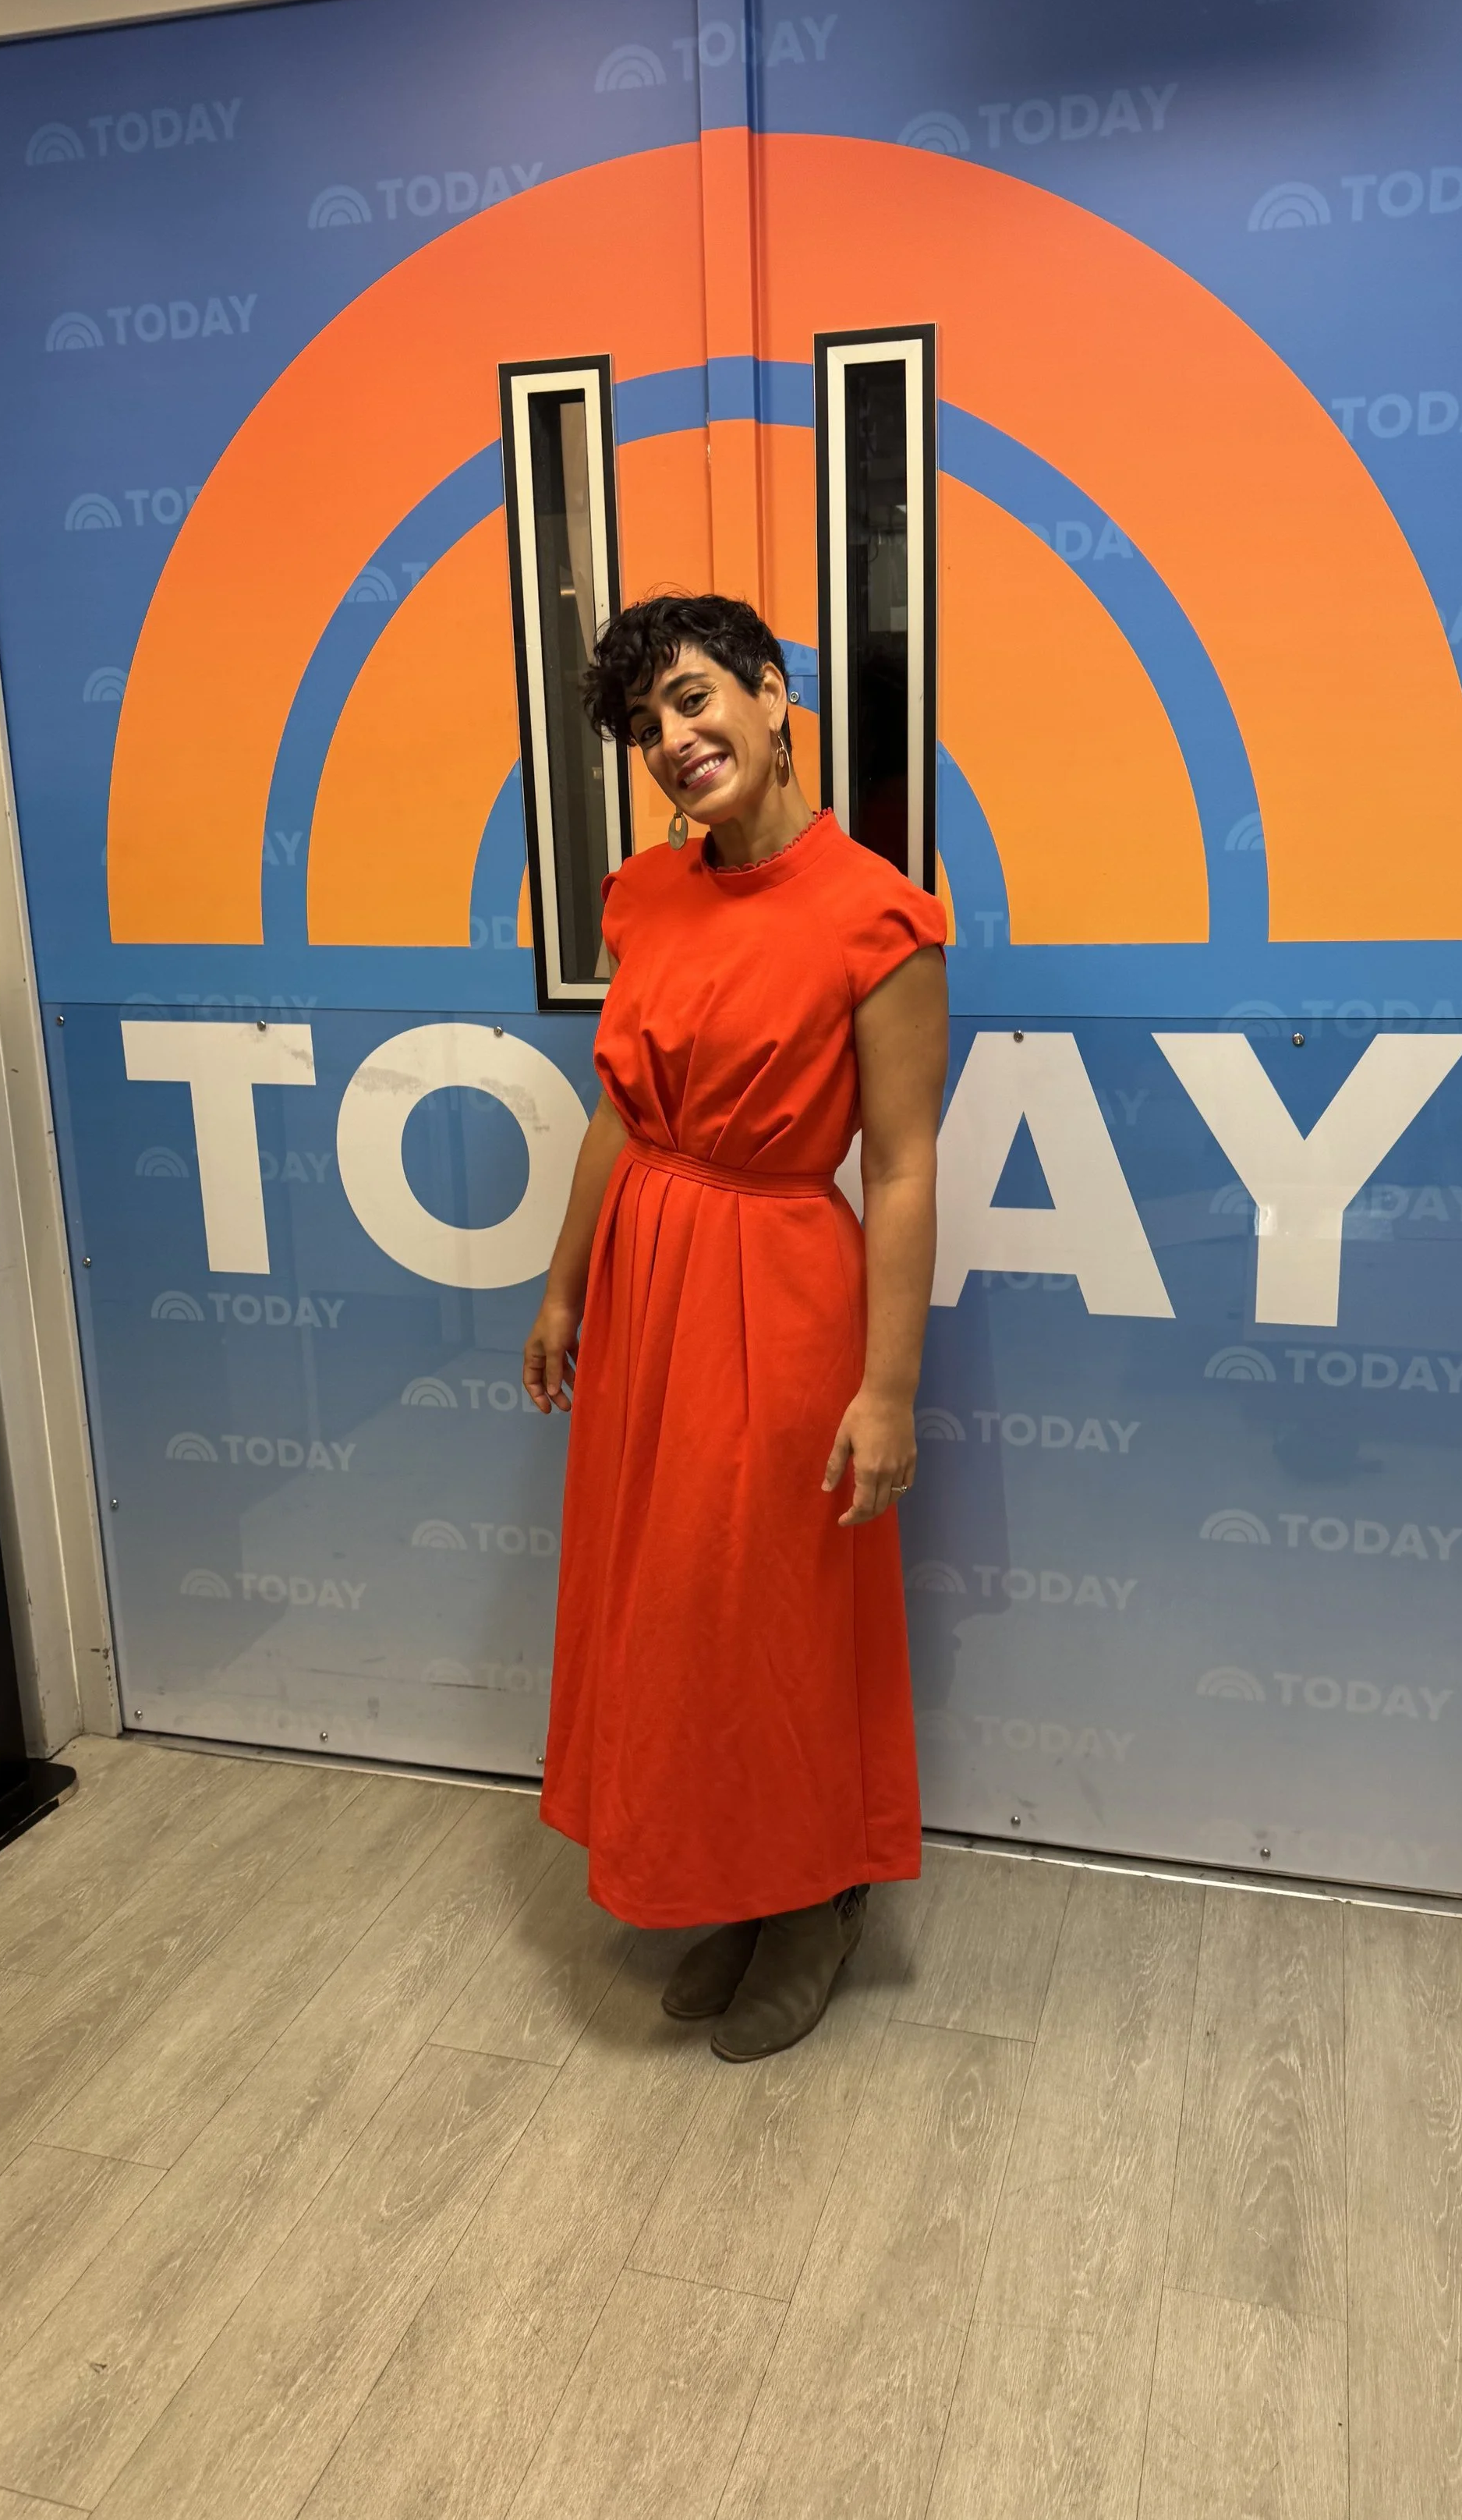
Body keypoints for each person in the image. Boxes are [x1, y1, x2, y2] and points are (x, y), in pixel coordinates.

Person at [522, 594, 948, 2062]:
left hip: (780, 1288)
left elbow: (900, 1170)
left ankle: (819, 1895)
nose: (676, 742)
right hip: (649, 1283)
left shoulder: (876, 915)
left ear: (776, 698)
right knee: (676, 1603)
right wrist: (567, 1283)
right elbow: (618, 1116)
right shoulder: (644, 896)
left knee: (772, 1604)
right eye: (648, 729)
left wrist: (887, 1390)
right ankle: (736, 1878)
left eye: (697, 701)